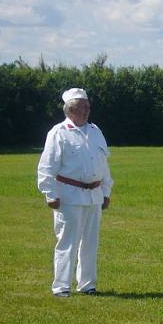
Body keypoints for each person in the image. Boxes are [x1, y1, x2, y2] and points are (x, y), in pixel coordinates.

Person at [37, 88, 114, 297]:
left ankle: (87, 284)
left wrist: (106, 191)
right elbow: (46, 166)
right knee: (67, 242)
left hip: (94, 196)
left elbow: (103, 164)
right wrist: (50, 193)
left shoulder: (95, 131)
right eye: (82, 107)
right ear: (70, 109)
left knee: (90, 242)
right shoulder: (58, 133)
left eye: (88, 107)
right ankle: (61, 286)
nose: (87, 111)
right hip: (69, 196)